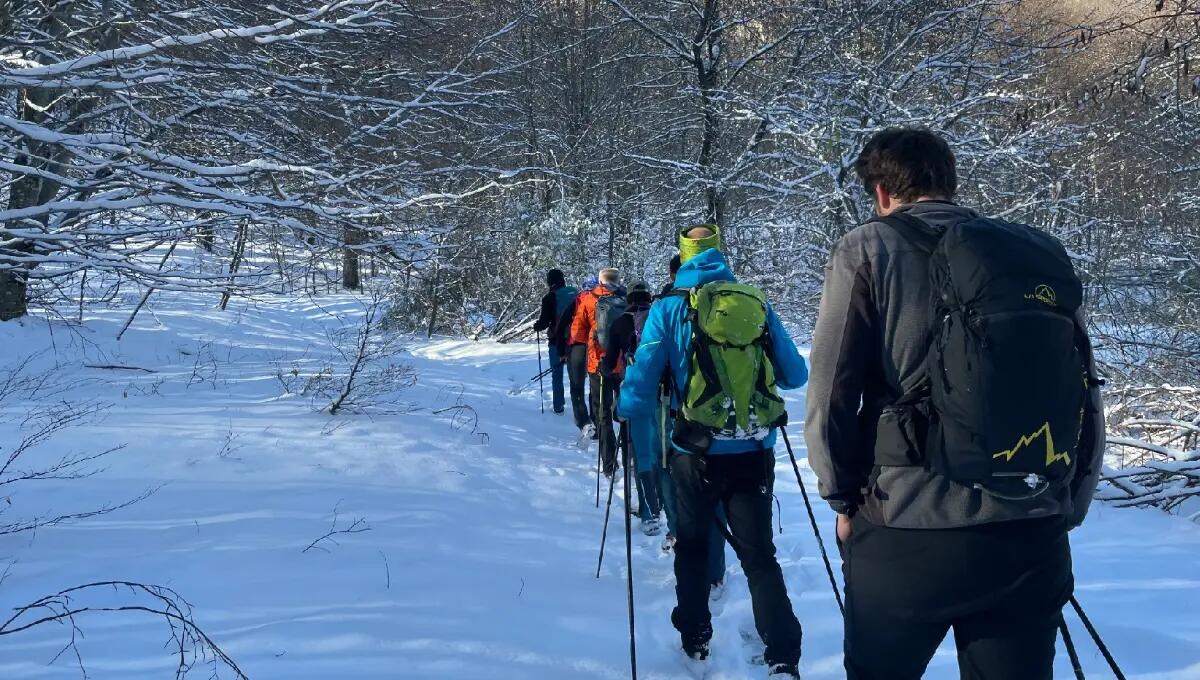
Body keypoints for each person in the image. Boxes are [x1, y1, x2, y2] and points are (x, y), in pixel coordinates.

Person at [804, 127, 1105, 680]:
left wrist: (844, 499)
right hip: (1028, 526)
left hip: (906, 529)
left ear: (881, 192)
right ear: (951, 181)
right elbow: (1083, 388)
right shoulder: (1031, 254)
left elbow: (831, 393)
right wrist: (1069, 502)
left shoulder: (868, 247)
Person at [619, 226, 807, 677]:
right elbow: (794, 374)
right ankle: (782, 651)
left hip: (694, 452)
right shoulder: (755, 302)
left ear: (683, 257)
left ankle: (695, 633)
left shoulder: (667, 310)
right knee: (759, 555)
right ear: (719, 254)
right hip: (753, 449)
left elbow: (642, 382)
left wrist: (627, 407)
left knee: (693, 545)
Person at [601, 281, 663, 535]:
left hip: (635, 391)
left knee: (642, 455)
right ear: (649, 299)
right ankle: (670, 506)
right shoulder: (660, 320)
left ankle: (650, 513)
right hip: (666, 394)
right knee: (663, 451)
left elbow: (608, 362)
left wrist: (611, 376)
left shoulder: (620, 323)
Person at [571, 269, 626, 474]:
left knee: (602, 413)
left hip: (597, 364)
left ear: (600, 281)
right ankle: (630, 454)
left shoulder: (588, 300)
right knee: (625, 409)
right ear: (617, 281)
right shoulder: (624, 299)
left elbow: (577, 332)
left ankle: (609, 463)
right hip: (622, 364)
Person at [556, 275, 598, 432]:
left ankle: (583, 422)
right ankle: (597, 421)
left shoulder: (576, 301)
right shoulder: (601, 301)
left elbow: (560, 327)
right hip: (595, 347)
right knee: (594, 386)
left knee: (577, 386)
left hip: (577, 347)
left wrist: (561, 351)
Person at [532, 269, 577, 414]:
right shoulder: (575, 293)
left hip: (557, 342)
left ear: (550, 282)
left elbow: (544, 322)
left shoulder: (549, 298)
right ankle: (578, 406)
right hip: (576, 341)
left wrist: (537, 326)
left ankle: (558, 406)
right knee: (575, 375)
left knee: (557, 374)